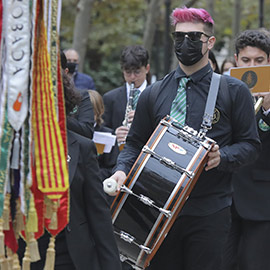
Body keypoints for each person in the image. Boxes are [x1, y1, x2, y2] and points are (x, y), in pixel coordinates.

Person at [109, 7, 261, 270]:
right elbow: (134, 144)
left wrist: (221, 157)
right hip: (156, 216)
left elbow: (250, 145)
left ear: (209, 42)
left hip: (209, 212)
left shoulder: (233, 90)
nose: (185, 44)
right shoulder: (154, 93)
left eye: (193, 37)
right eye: (179, 38)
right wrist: (122, 170)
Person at [18, 72, 122, 270]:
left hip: (68, 255)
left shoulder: (81, 147)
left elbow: (98, 213)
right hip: (20, 254)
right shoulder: (13, 146)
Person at [221, 29, 270, 270]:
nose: (252, 66)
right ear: (236, 60)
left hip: (262, 203)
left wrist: (268, 112)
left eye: (259, 61)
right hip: (224, 199)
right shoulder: (221, 93)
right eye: (246, 60)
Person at [103, 45, 150, 146]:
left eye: (137, 72)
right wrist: (114, 134)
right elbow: (101, 129)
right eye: (128, 72)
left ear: (147, 68)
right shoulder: (110, 98)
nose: (132, 77)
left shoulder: (157, 95)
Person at [61, 51, 95, 139]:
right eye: (69, 60)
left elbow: (87, 130)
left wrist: (60, 116)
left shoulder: (83, 92)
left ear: (65, 72)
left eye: (74, 61)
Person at [88, 89, 119, 181]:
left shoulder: (107, 135)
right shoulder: (73, 132)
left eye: (91, 112)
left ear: (99, 111)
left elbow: (112, 167)